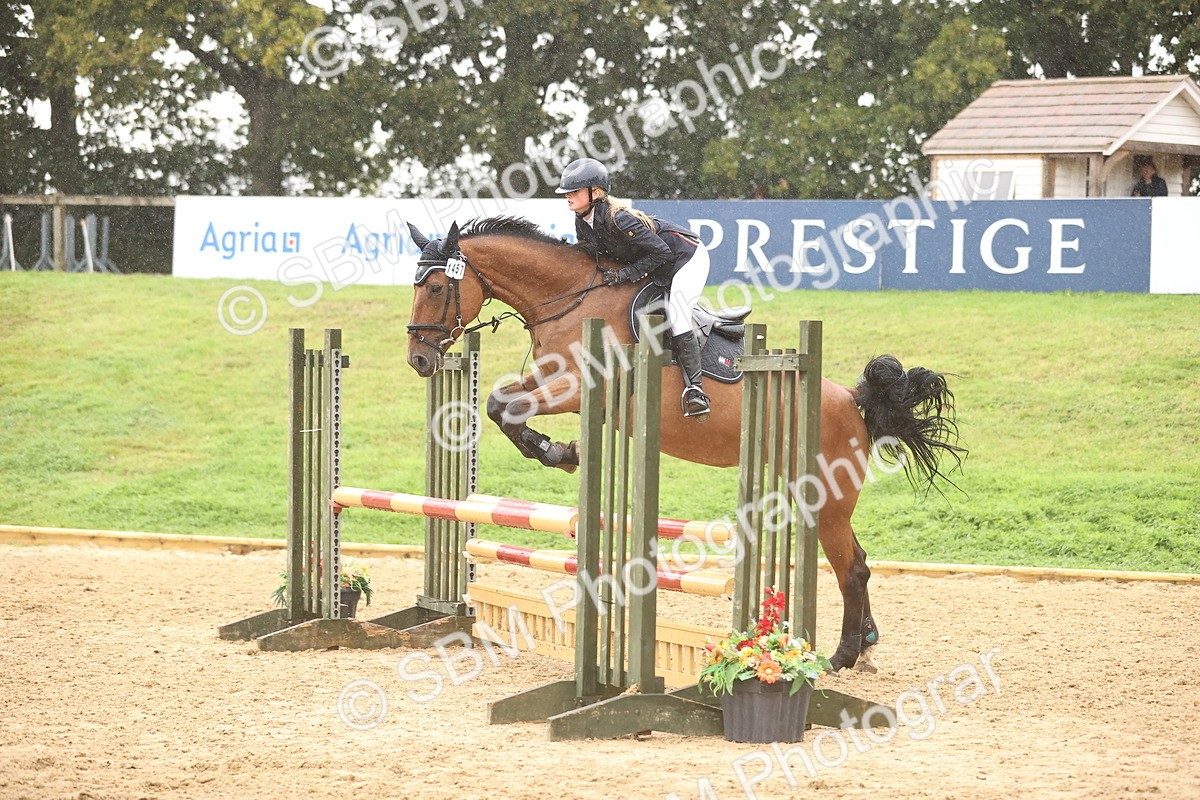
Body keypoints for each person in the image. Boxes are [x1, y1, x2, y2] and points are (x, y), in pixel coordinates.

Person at [556, 157, 711, 417]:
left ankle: (695, 390)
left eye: (574, 191)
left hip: (686, 257)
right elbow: (593, 256)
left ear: (595, 193)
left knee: (677, 314)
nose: (567, 196)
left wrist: (625, 274)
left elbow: (662, 252)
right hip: (657, 263)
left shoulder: (620, 219)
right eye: (567, 192)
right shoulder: (582, 220)